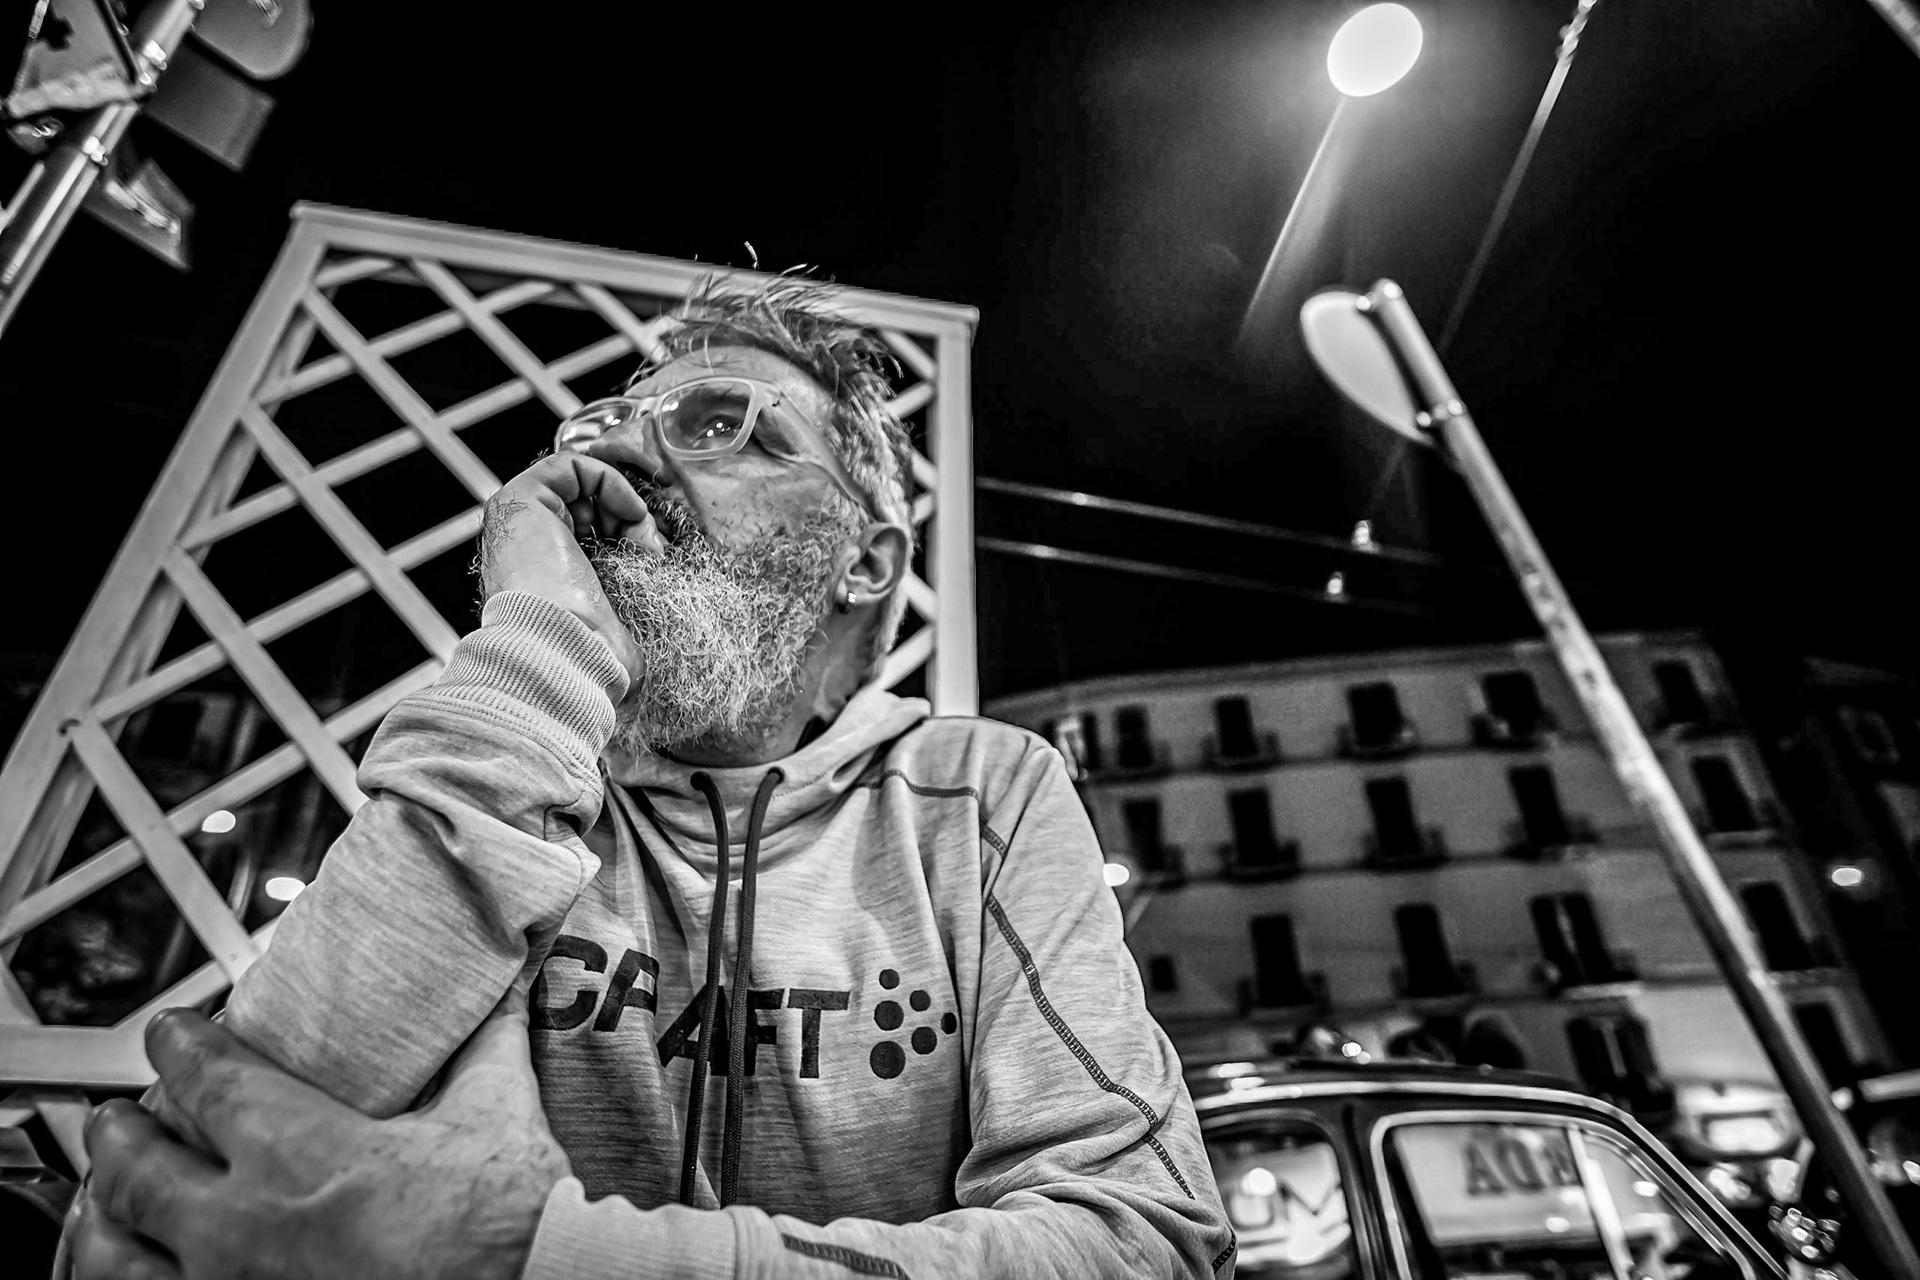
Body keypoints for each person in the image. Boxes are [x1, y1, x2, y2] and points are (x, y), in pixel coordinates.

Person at [69, 277, 1235, 1278]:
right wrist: (542, 645)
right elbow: (187, 1200)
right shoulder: (514, 753)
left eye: (727, 424)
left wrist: (525, 1255)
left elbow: (1142, 1238)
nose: (627, 453)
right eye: (613, 425)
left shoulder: (977, 793)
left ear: (867, 559)